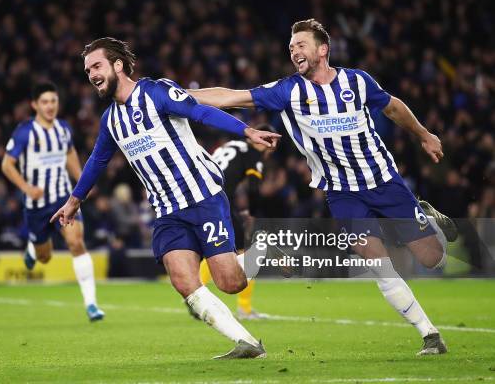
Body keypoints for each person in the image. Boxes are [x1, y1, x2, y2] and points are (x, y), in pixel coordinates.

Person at [190, 19, 457, 356]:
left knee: (433, 258)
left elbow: (392, 107)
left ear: (322, 50)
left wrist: (424, 135)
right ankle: (430, 336)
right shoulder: (287, 90)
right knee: (379, 263)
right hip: (342, 193)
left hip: (384, 182)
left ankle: (428, 216)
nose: (294, 51)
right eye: (290, 48)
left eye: (300, 44)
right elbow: (231, 96)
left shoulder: (357, 82)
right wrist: (177, 96)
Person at [51, 37, 281, 359]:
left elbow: (200, 112)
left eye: (97, 66)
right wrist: (74, 201)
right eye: (87, 69)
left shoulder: (156, 92)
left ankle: (264, 253)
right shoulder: (111, 121)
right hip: (166, 209)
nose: (91, 74)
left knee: (230, 283)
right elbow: (97, 161)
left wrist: (247, 131)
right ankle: (247, 344)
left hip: (202, 196)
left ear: (118, 65)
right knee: (184, 281)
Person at [1, 82, 104, 322]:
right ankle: (32, 246)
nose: (50, 106)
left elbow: (70, 155)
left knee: (76, 242)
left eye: (53, 101)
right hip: (37, 205)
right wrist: (26, 188)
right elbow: (6, 165)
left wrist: (82, 182)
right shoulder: (25, 132)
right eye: (45, 102)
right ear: (35, 105)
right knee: (44, 256)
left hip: (64, 198)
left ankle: (91, 304)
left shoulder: (64, 129)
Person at [199, 124, 275, 320]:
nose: (271, 148)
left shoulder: (232, 145)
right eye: (270, 142)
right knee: (247, 252)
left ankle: (194, 292)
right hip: (216, 200)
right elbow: (253, 188)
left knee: (215, 248)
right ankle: (245, 309)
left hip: (200, 196)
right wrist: (252, 214)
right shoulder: (252, 153)